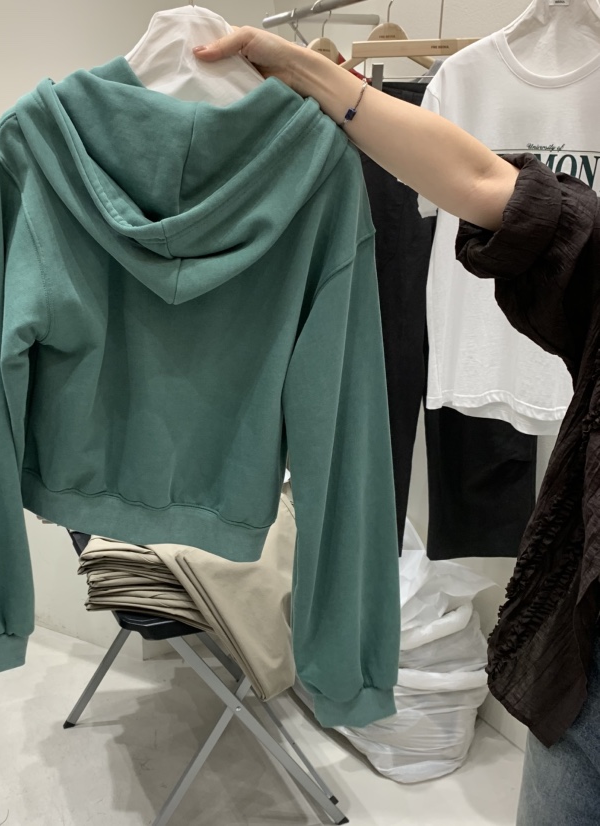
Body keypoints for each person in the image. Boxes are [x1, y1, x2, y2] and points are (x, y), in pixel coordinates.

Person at [195, 27, 600, 826]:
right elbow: (498, 189)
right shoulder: (468, 79)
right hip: (583, 659)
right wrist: (312, 72)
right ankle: (349, 661)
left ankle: (351, 661)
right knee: (353, 444)